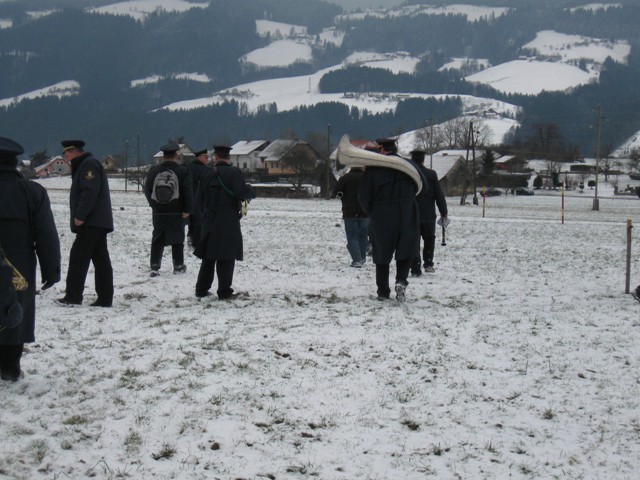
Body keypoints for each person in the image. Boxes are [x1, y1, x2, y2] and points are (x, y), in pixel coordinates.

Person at [0, 137, 61, 381]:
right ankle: (9, 366)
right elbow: (46, 234)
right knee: (15, 310)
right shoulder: (33, 192)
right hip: (19, 264)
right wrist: (51, 269)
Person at [358, 137, 420, 302]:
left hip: (382, 213)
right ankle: (401, 280)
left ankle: (383, 292)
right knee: (405, 249)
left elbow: (363, 196)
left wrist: (372, 211)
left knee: (381, 253)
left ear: (381, 150)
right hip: (407, 211)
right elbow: (422, 187)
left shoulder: (374, 168)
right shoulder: (410, 166)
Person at [57, 139, 114, 307]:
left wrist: (80, 216)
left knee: (78, 258)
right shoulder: (85, 164)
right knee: (100, 259)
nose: (65, 157)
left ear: (74, 151)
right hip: (97, 221)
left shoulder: (88, 165)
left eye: (66, 153)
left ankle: (73, 296)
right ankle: (105, 298)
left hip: (91, 221)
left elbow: (89, 192)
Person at [194, 145, 255, 299]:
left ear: (215, 157)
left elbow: (198, 201)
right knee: (226, 256)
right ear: (228, 157)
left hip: (209, 219)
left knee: (208, 256)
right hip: (228, 219)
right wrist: (251, 191)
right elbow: (241, 192)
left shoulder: (207, 174)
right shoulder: (234, 173)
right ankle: (224, 291)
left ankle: (201, 289)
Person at [144, 142, 192, 277]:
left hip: (159, 211)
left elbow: (147, 190)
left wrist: (153, 205)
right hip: (177, 210)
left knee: (157, 237)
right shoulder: (182, 171)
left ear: (163, 156)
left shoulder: (154, 171)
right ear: (176, 155)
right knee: (177, 237)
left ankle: (155, 266)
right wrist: (187, 209)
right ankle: (178, 265)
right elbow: (187, 190)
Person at [409, 149, 448, 276]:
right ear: (423, 159)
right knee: (429, 239)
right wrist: (444, 212)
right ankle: (428, 263)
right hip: (428, 214)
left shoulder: (408, 174)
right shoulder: (431, 174)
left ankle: (415, 266)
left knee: (413, 241)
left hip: (411, 214)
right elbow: (438, 194)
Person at [332, 166, 370, 268]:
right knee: (363, 236)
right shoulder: (368, 178)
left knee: (352, 236)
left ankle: (357, 260)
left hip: (349, 212)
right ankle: (362, 258)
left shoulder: (345, 178)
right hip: (365, 212)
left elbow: (335, 193)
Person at [187, 148, 210, 249]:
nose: (207, 160)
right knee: (199, 223)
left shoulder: (187, 167)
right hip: (200, 200)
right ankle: (197, 243)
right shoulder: (205, 170)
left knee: (191, 222)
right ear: (199, 157)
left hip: (188, 199)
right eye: (205, 157)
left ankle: (190, 237)